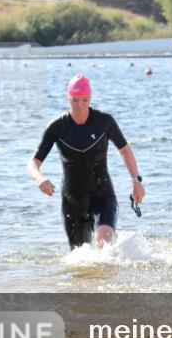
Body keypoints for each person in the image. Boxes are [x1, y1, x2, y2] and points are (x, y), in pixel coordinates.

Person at [27, 74, 145, 249]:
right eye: (75, 101)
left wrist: (136, 181)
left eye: (84, 100)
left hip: (102, 195)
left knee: (104, 246)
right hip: (73, 201)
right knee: (80, 261)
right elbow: (33, 163)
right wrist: (39, 179)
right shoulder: (57, 127)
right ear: (68, 99)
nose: (80, 106)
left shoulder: (104, 122)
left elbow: (125, 150)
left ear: (90, 98)